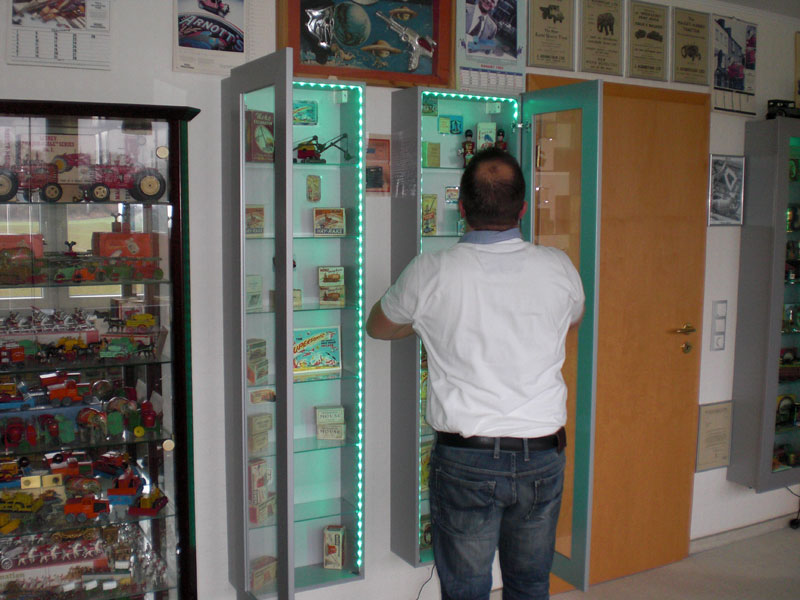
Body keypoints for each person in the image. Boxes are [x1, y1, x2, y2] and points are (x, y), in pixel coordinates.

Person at [367, 147, 584, 600]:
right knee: (530, 583)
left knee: (465, 588)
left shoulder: (431, 271)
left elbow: (379, 327)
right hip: (542, 454)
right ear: (522, 209)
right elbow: (573, 319)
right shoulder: (558, 266)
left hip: (466, 459)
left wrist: (425, 323)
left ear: (461, 208)